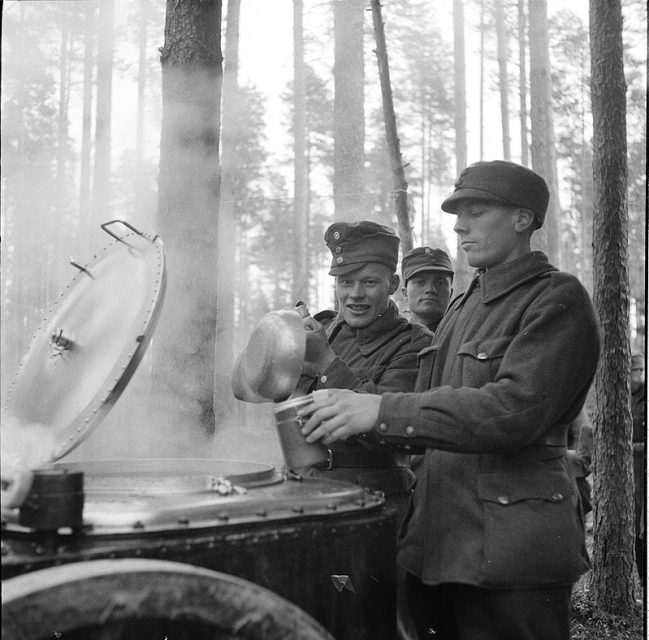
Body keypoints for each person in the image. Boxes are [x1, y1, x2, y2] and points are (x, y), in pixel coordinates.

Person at [299, 160, 600, 640]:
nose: (460, 224)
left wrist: (379, 408)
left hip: (511, 556)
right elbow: (428, 413)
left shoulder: (555, 299)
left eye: (476, 211)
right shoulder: (464, 306)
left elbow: (512, 412)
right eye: (459, 214)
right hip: (439, 547)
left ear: (522, 219)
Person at [293, 220, 432, 505]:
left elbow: (395, 431)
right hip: (304, 489)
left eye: (369, 282)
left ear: (392, 284)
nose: (355, 293)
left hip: (371, 502)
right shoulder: (324, 329)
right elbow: (253, 388)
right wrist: (275, 339)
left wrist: (325, 361)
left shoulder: (414, 343)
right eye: (345, 281)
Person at [401, 247, 454, 332]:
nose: (430, 289)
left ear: (450, 293)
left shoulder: (462, 336)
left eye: (440, 283)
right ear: (405, 293)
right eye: (420, 282)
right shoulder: (392, 339)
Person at [631, 351, 646, 588]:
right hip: (631, 473)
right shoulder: (621, 396)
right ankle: (643, 579)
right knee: (634, 526)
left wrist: (634, 447)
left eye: (641, 371)